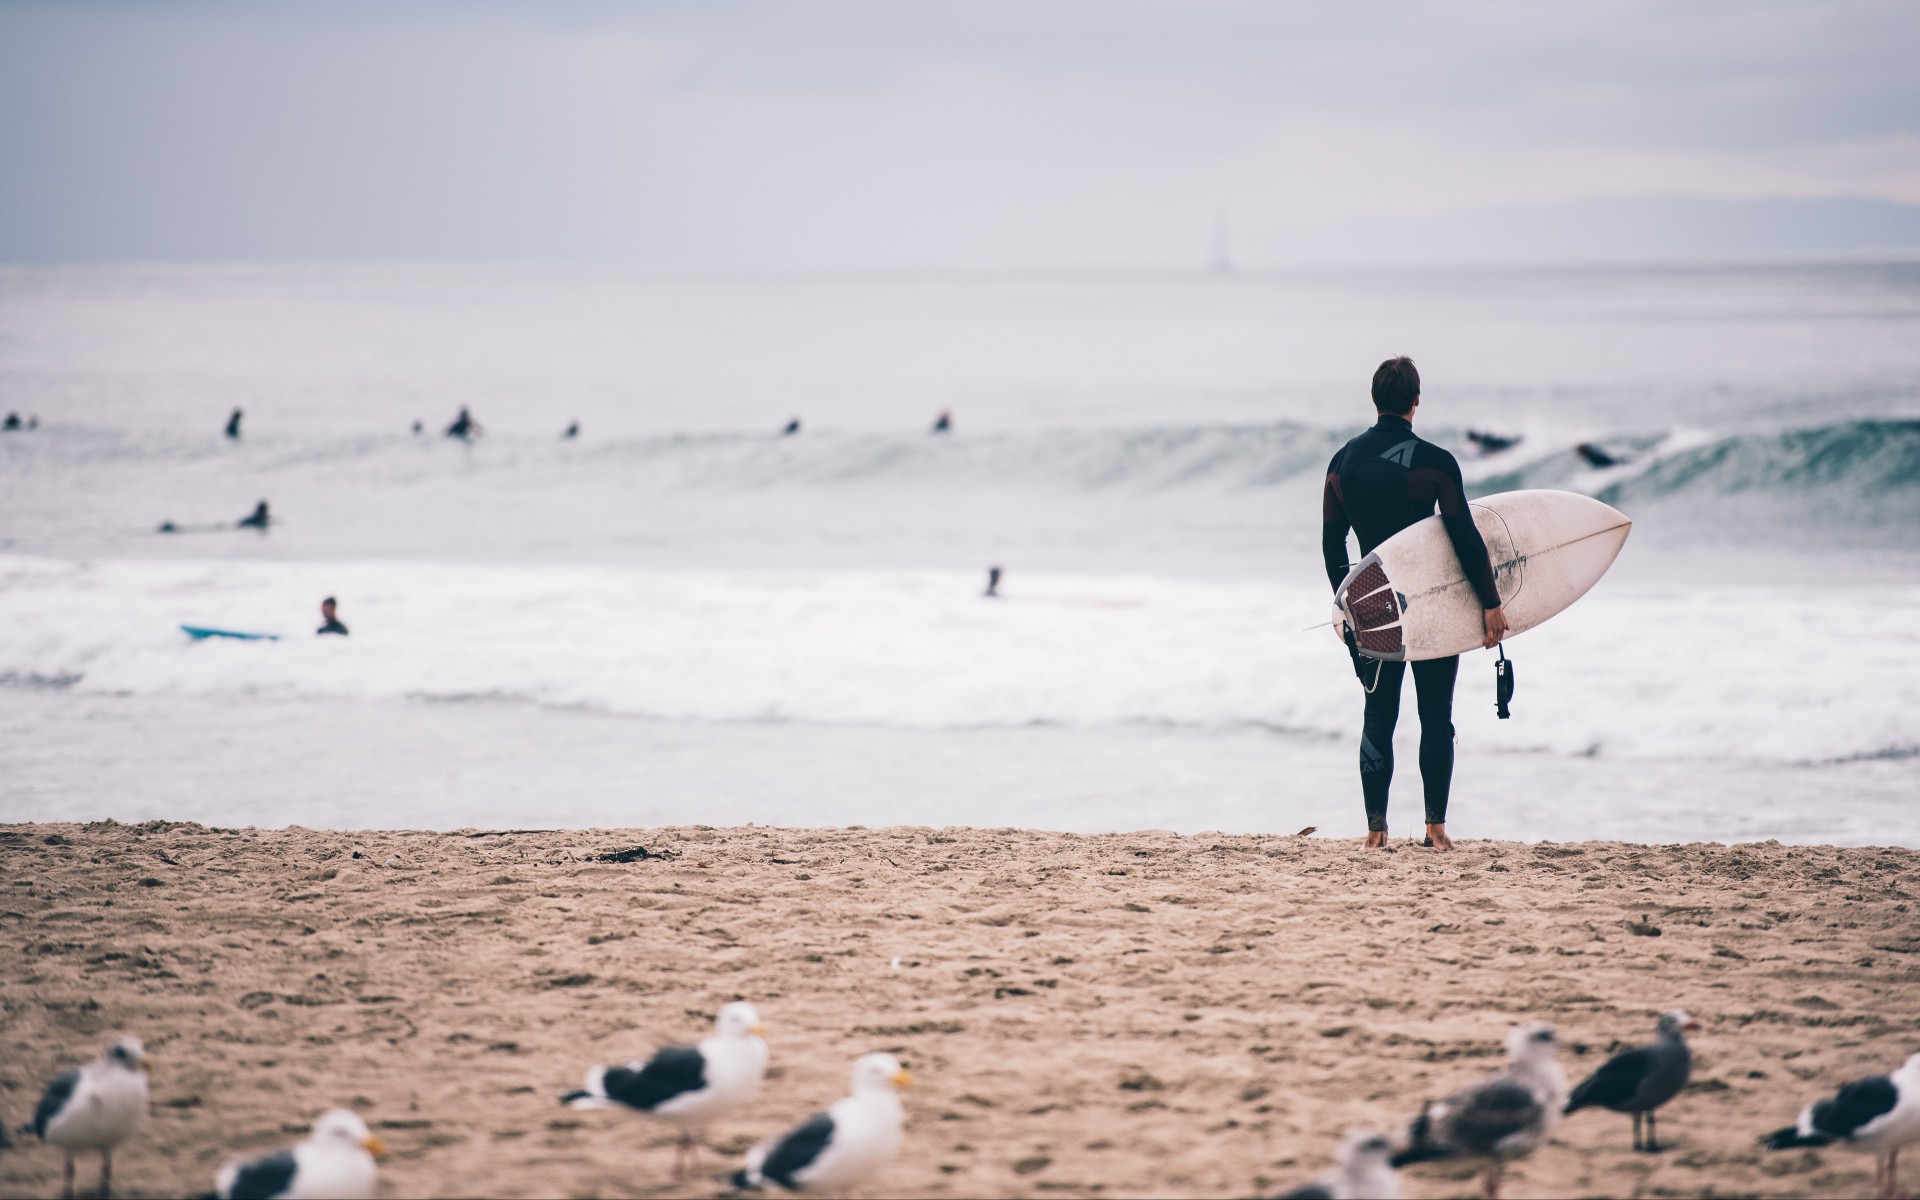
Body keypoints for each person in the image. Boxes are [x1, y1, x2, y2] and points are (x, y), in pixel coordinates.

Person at [1321, 357, 1508, 852]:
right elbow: (1464, 537)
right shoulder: (1434, 462)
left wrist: (1349, 604)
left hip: (1376, 606)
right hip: (1429, 605)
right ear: (1416, 400)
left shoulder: (1341, 463)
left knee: (1378, 714)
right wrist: (1490, 603)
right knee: (1435, 714)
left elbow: (1331, 543)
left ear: (1375, 399)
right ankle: (1435, 829)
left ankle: (1376, 832)